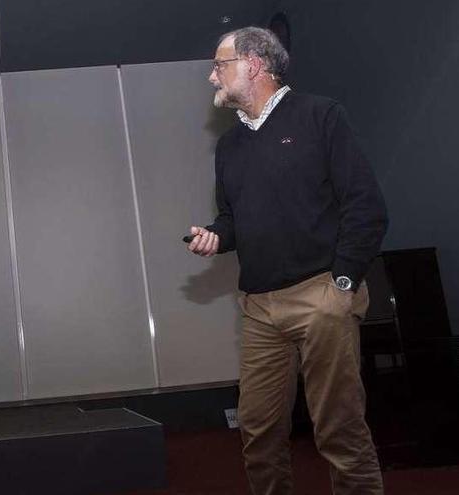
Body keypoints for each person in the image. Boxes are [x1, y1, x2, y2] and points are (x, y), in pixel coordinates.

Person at [187, 26, 388, 495]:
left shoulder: (320, 116)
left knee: (338, 429)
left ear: (253, 65)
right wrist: (216, 236)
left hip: (321, 295)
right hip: (258, 308)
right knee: (257, 433)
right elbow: (232, 218)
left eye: (220, 65)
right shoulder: (229, 146)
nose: (212, 77)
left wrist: (340, 285)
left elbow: (366, 207)